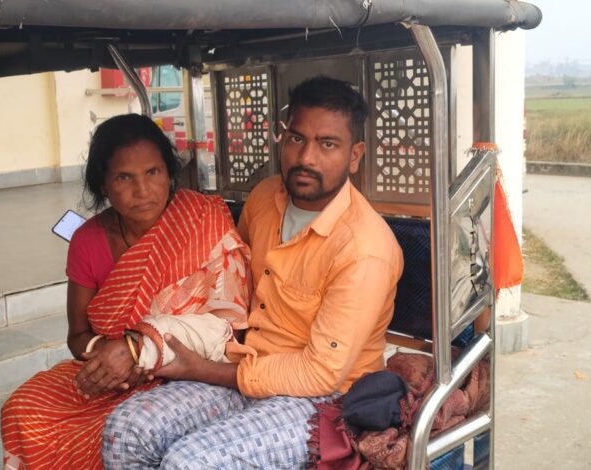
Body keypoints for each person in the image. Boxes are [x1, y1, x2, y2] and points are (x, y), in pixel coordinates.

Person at [101, 77, 404, 469]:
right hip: (245, 363)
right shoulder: (264, 197)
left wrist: (206, 370)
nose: (306, 157)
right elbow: (233, 286)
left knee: (189, 463)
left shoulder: (364, 249)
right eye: (296, 138)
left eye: (328, 144)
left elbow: (320, 373)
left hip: (322, 400)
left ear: (355, 155)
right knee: (127, 429)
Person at [0, 114, 250, 469]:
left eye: (152, 172)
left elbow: (231, 328)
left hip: (192, 367)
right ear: (103, 185)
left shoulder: (203, 218)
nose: (142, 190)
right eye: (124, 177)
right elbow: (77, 335)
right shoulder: (88, 241)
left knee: (116, 430)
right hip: (111, 371)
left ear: (169, 173)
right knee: (23, 407)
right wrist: (110, 359)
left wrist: (138, 352)